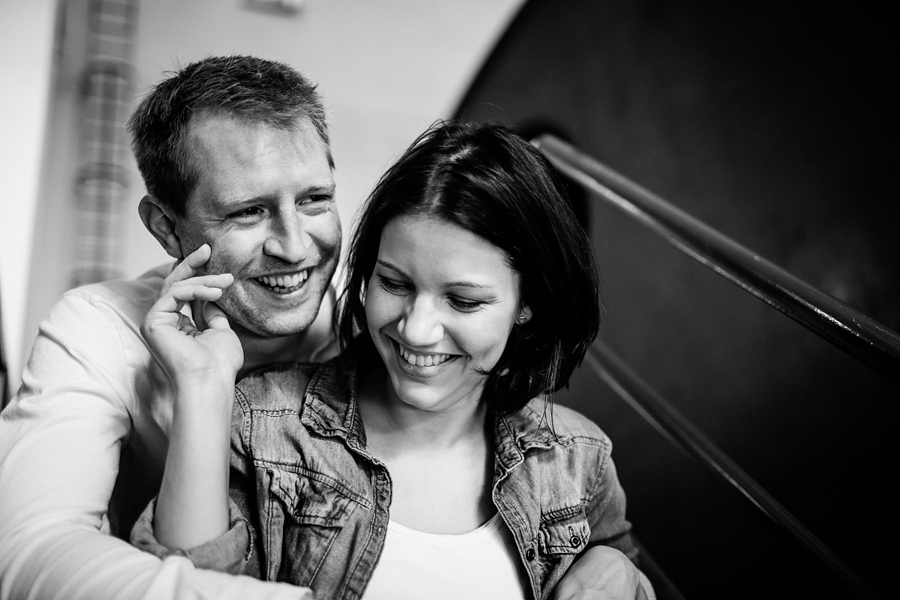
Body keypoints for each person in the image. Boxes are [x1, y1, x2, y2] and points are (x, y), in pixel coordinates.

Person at [132, 120, 655, 600]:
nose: (416, 330)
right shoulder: (265, 426)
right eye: (394, 283)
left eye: (463, 300)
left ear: (527, 305)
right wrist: (203, 385)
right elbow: (188, 586)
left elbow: (627, 579)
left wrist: (620, 567)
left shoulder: (578, 460)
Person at [0, 55, 338, 600]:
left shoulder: (381, 331)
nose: (295, 246)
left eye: (315, 199)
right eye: (248, 212)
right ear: (166, 228)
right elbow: (28, 551)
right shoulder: (100, 326)